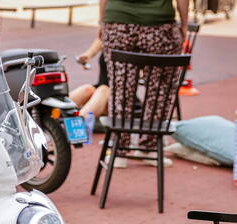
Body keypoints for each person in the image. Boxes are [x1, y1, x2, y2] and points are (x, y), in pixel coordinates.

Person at [97, 0, 189, 167]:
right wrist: (184, 24)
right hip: (159, 25)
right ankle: (149, 146)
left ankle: (119, 150)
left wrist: (103, 21)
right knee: (160, 90)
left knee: (121, 88)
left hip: (118, 24)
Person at [72, 38, 111, 120]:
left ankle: (78, 123)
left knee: (103, 90)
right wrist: (87, 56)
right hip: (101, 92)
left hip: (121, 98)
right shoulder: (108, 35)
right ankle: (48, 114)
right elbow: (100, 39)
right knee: (87, 89)